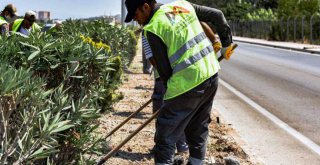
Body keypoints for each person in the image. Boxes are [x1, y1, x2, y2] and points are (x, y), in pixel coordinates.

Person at [125, 0, 235, 164]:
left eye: (136, 14)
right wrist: (226, 44)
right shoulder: (183, 5)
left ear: (146, 6)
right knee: (198, 127)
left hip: (187, 83)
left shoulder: (153, 28)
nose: (136, 19)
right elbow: (217, 15)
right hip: (211, 75)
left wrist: (172, 98)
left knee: (165, 134)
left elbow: (164, 72)